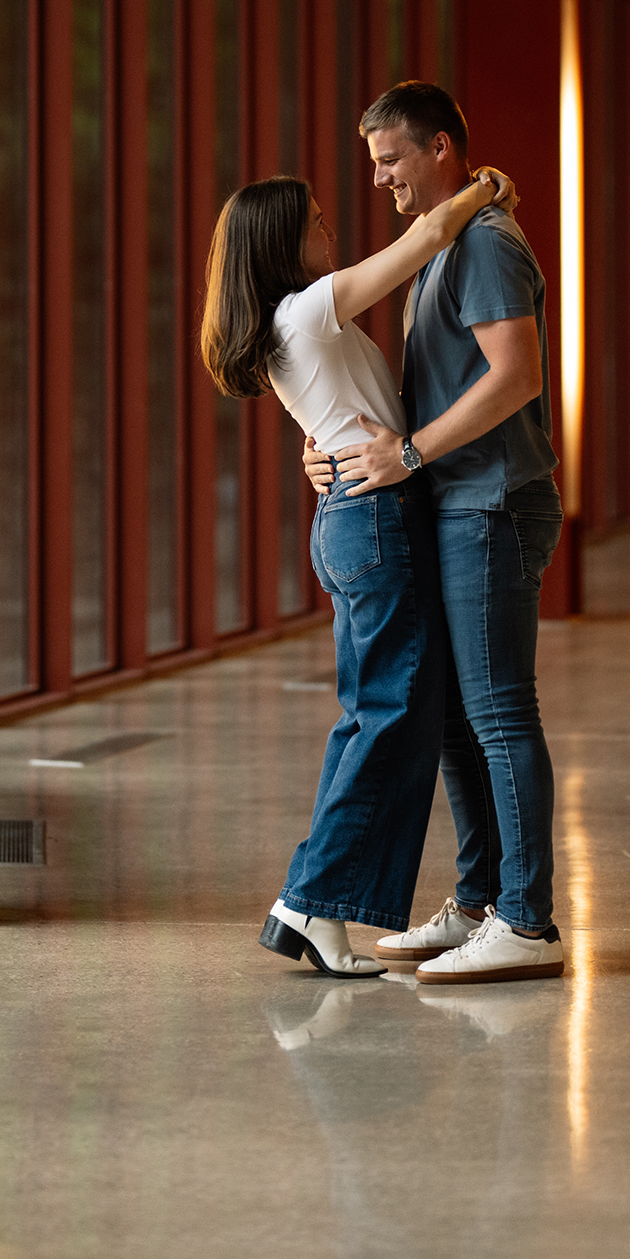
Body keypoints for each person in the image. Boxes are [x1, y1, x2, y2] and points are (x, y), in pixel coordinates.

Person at [200, 161, 512, 978]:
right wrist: (484, 188)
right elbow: (424, 237)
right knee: (385, 716)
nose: (330, 230)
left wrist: (325, 454)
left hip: (353, 515)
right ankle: (306, 899)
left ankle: (324, 910)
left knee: (384, 714)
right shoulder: (306, 309)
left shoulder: (287, 327)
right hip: (374, 517)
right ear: (281, 243)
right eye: (316, 221)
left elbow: (337, 415)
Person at [306, 80, 565, 983]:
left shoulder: (486, 244)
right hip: (454, 501)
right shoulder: (447, 244)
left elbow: (515, 379)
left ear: (442, 149)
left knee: (495, 714)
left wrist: (407, 455)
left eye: (391, 162)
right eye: (374, 165)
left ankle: (525, 923)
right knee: (458, 718)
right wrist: (342, 451)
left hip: (490, 502)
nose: (380, 181)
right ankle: (481, 902)